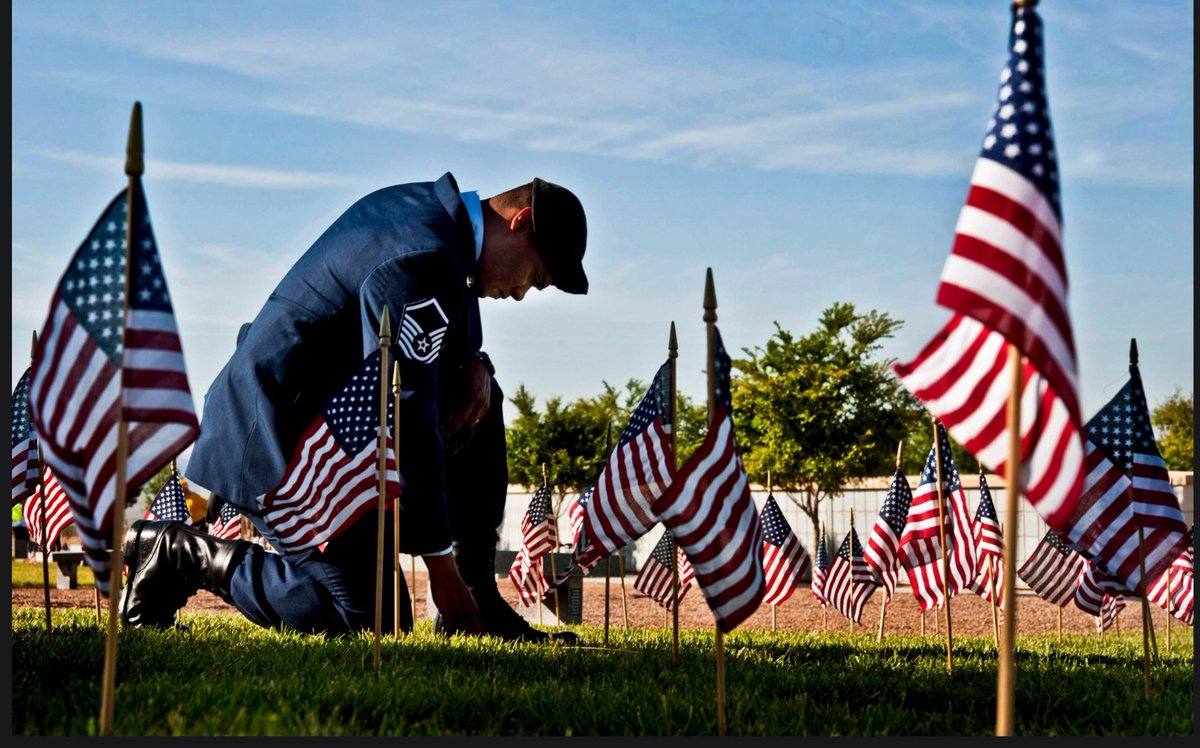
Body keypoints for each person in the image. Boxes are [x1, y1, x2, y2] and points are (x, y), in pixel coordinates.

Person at [119, 172, 588, 643]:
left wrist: (477, 365)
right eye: (535, 276)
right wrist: (440, 567)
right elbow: (406, 407)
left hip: (340, 429)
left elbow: (432, 357)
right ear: (520, 223)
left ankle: (477, 598)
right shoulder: (424, 253)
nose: (523, 292)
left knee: (479, 396)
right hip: (282, 436)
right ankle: (177, 552)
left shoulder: (443, 229)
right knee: (371, 621)